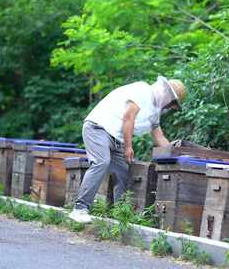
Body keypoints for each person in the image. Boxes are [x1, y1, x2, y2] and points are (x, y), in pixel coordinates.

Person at [68, 76, 186, 223]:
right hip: (97, 128)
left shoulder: (154, 113)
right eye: (172, 103)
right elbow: (128, 117)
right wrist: (128, 147)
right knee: (101, 162)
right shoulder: (142, 91)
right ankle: (79, 209)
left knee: (125, 171)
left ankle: (120, 215)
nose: (170, 107)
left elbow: (160, 138)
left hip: (116, 139)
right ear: (167, 94)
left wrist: (178, 158)